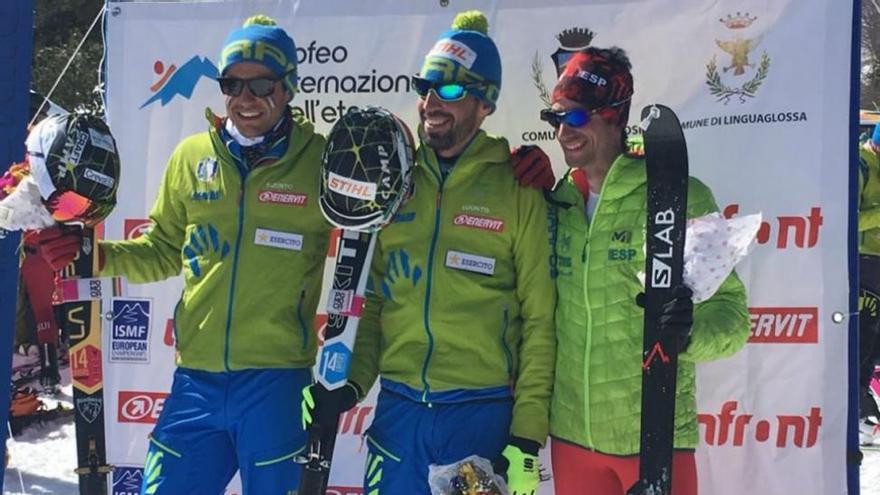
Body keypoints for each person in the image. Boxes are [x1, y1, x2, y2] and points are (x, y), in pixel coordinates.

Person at [39, 15, 330, 494]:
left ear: (288, 87)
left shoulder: (319, 160)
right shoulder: (191, 157)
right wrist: (93, 256)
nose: (245, 98)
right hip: (196, 378)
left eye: (261, 83)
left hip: (277, 382)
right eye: (232, 83)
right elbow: (161, 251)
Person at [302, 10, 555, 495]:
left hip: (479, 417)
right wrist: (346, 387)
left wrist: (525, 436)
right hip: (399, 416)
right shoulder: (393, 179)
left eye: (453, 90)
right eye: (426, 85)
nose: (432, 101)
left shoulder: (516, 186)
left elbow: (540, 321)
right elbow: (370, 302)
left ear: (486, 102)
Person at [527, 47, 750, 494]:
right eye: (556, 119)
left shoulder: (674, 193)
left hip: (653, 439)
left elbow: (732, 318)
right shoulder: (558, 203)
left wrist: (688, 333)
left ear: (613, 116)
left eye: (575, 118)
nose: (564, 132)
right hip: (572, 439)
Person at [858, 123, 880, 445]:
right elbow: (847, 217)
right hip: (863, 261)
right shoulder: (860, 165)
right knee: (862, 341)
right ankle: (860, 414)